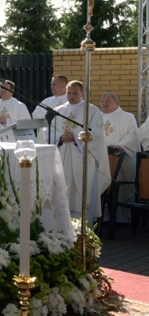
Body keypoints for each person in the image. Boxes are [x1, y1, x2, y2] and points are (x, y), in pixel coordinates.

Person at [51, 80, 110, 225]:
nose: (71, 96)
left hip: (83, 159)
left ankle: (82, 228)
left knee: (81, 194)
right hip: (62, 157)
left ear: (82, 93)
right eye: (69, 93)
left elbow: (97, 135)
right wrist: (60, 136)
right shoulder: (58, 110)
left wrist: (76, 136)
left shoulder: (92, 111)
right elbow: (48, 131)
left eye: (74, 93)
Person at [100, 93, 139, 223]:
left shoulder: (127, 117)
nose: (104, 103)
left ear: (117, 103)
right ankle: (103, 218)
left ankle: (122, 219)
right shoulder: (96, 118)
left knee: (122, 191)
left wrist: (121, 146)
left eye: (108, 101)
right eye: (102, 101)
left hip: (123, 159)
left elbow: (133, 135)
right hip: (102, 160)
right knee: (102, 187)